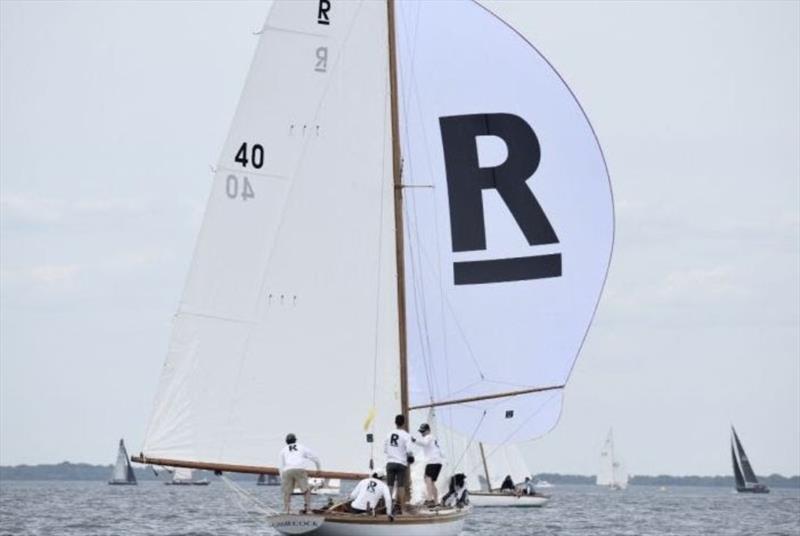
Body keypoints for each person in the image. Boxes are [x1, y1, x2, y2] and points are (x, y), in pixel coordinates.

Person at [279, 433, 321, 514]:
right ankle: (308, 509)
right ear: (295, 440)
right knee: (306, 490)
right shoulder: (302, 447)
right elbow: (315, 458)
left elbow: (281, 466)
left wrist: (282, 477)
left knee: (287, 492)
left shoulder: (283, 450)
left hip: (287, 470)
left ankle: (286, 510)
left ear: (286, 442)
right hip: (300, 469)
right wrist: (318, 468)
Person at [384, 414, 412, 515]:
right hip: (401, 464)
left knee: (389, 486)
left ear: (395, 422)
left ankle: (388, 509)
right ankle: (403, 510)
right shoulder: (406, 435)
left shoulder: (389, 434)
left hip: (390, 463)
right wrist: (410, 457)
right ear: (403, 423)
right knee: (401, 486)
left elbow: (385, 449)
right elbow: (409, 451)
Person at [411, 422, 444, 506]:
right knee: (431, 482)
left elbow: (424, 443)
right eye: (421, 432)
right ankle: (436, 502)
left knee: (427, 479)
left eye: (423, 431)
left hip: (433, 461)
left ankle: (430, 499)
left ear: (428, 430)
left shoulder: (429, 437)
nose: (422, 433)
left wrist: (414, 440)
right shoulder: (433, 438)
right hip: (438, 462)